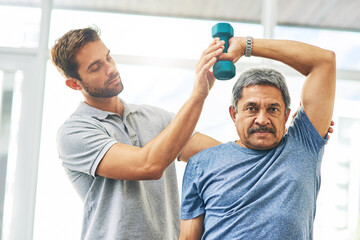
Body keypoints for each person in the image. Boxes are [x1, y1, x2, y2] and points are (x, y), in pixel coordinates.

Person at [50, 27, 223, 239]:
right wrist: (198, 95)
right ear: (74, 84)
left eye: (108, 58)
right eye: (96, 67)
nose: (111, 69)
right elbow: (148, 165)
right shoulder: (74, 132)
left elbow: (221, 157)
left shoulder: (157, 118)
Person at [180, 36, 336, 239]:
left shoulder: (304, 145)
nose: (262, 119)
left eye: (273, 109)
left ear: (286, 116)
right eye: (251, 108)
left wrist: (246, 46)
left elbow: (324, 62)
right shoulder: (201, 164)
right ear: (234, 114)